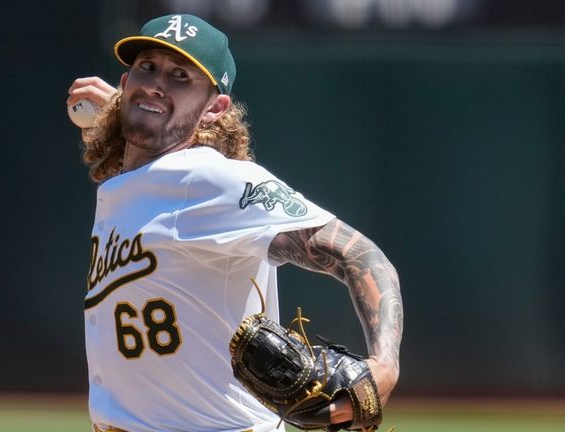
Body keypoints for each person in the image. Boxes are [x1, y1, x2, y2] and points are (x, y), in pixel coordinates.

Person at [67, 14, 403, 432]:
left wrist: (384, 364)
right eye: (147, 68)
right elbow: (143, 162)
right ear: (124, 81)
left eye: (180, 77)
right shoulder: (133, 182)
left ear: (214, 107)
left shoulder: (211, 179)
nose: (156, 84)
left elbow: (361, 255)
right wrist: (120, 114)